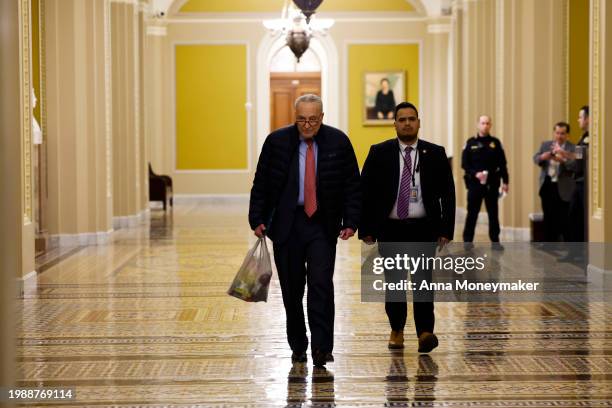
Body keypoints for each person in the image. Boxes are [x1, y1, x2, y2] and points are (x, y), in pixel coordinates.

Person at [249, 94, 361, 367]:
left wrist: (351, 221)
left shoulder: (338, 141)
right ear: (294, 116)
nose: (307, 125)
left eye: (313, 119)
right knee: (291, 289)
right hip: (287, 224)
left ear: (322, 117)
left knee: (321, 285)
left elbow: (352, 185)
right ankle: (298, 343)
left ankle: (322, 348)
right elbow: (261, 182)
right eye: (301, 119)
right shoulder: (276, 141)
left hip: (322, 224)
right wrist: (257, 218)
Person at [360, 102, 455, 353]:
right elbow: (365, 192)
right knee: (395, 283)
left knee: (423, 282)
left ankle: (425, 331)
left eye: (411, 119)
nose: (407, 123)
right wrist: (366, 227)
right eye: (402, 119)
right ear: (395, 124)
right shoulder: (379, 152)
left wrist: (446, 229)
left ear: (419, 122)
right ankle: (397, 329)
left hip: (424, 228)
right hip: (391, 229)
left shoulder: (435, 153)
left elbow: (449, 193)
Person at [461, 115, 509, 249]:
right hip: (475, 184)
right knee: (472, 213)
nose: (485, 126)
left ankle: (495, 241)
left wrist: (505, 182)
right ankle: (467, 241)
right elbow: (464, 164)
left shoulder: (496, 143)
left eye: (488, 123)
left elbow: (503, 164)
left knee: (493, 213)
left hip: (492, 183)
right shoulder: (470, 143)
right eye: (483, 123)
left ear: (490, 125)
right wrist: (476, 174)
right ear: (478, 124)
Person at [533, 122, 576, 242]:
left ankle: (565, 243)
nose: (559, 136)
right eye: (557, 133)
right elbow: (535, 158)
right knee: (548, 214)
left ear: (567, 135)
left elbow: (576, 165)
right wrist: (543, 157)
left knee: (564, 216)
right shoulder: (546, 144)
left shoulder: (573, 147)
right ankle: (549, 243)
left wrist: (563, 160)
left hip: (563, 186)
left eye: (562, 133)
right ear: (554, 133)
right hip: (547, 184)